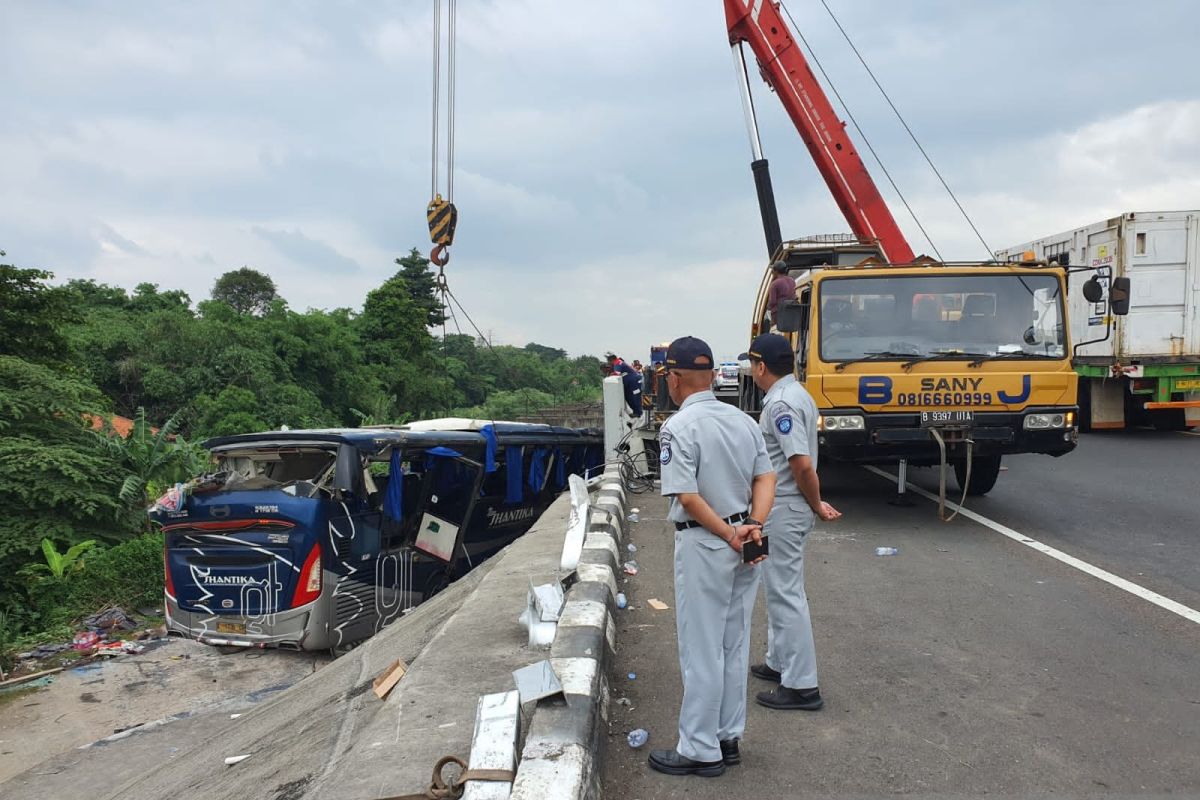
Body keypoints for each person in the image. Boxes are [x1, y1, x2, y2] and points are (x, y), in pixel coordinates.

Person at [648, 335, 776, 778]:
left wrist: (727, 534)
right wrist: (753, 525)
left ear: (676, 378)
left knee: (701, 647)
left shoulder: (677, 428)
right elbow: (766, 477)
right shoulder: (743, 420)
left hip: (708, 542)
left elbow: (687, 495)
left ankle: (700, 749)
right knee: (734, 643)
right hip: (747, 537)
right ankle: (727, 736)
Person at [738, 333, 841, 712]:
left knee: (785, 594)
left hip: (784, 507)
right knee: (779, 589)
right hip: (786, 507)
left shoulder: (779, 404)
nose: (751, 370)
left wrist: (815, 503)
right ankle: (779, 662)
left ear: (761, 366)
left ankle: (801, 685)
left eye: (752, 364)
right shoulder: (796, 394)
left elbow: (800, 464)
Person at [766, 261, 796, 331]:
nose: (772, 272)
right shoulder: (792, 281)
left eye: (773, 270)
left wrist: (768, 307)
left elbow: (772, 302)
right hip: (791, 313)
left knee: (766, 319)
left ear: (776, 271)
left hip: (778, 316)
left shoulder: (774, 284)